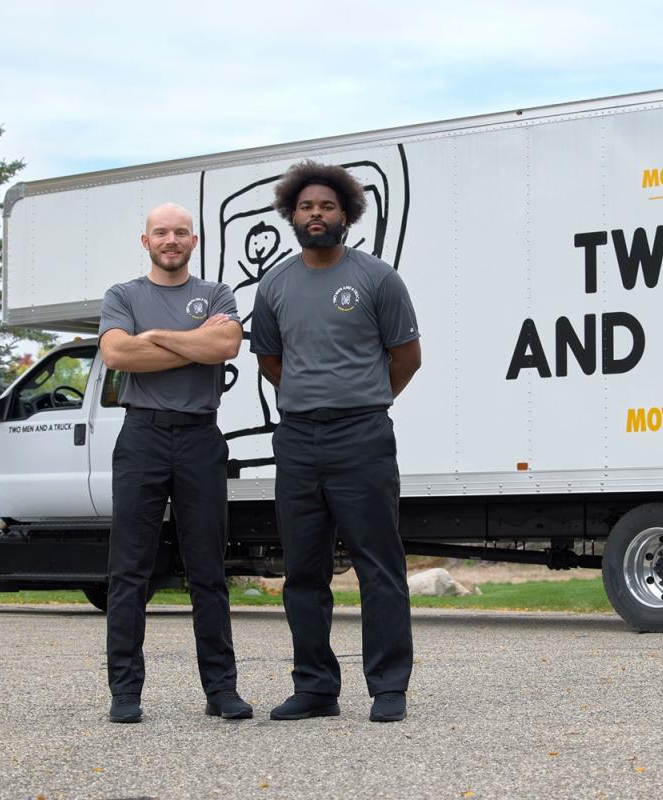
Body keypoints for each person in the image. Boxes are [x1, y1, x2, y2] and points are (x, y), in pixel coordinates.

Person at [251, 161, 422, 723]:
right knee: (303, 569)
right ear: (290, 215)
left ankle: (389, 686)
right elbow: (272, 362)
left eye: (326, 206)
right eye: (306, 207)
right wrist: (310, 398)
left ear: (346, 214)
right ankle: (316, 688)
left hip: (362, 435)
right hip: (299, 439)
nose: (315, 215)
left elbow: (407, 357)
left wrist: (364, 398)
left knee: (379, 564)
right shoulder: (274, 283)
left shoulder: (377, 278)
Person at [98, 202, 251, 723]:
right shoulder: (123, 295)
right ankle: (125, 692)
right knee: (129, 570)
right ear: (146, 242)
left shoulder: (216, 294)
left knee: (208, 569)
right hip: (142, 436)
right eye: (161, 232)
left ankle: (221, 689)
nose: (171, 239)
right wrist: (195, 345)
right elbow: (118, 355)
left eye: (180, 232)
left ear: (194, 241)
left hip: (200, 439)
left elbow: (227, 343)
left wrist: (157, 337)